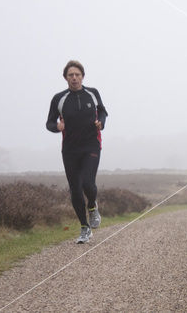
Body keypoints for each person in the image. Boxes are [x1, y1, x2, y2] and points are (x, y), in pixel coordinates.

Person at [46, 60, 108, 244]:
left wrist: (101, 123)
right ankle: (84, 228)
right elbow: (49, 123)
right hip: (70, 149)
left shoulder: (93, 93)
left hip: (91, 145)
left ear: (82, 76)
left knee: (88, 183)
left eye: (77, 74)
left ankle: (92, 206)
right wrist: (57, 126)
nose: (74, 78)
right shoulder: (59, 98)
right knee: (75, 190)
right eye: (70, 75)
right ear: (65, 78)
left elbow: (103, 112)